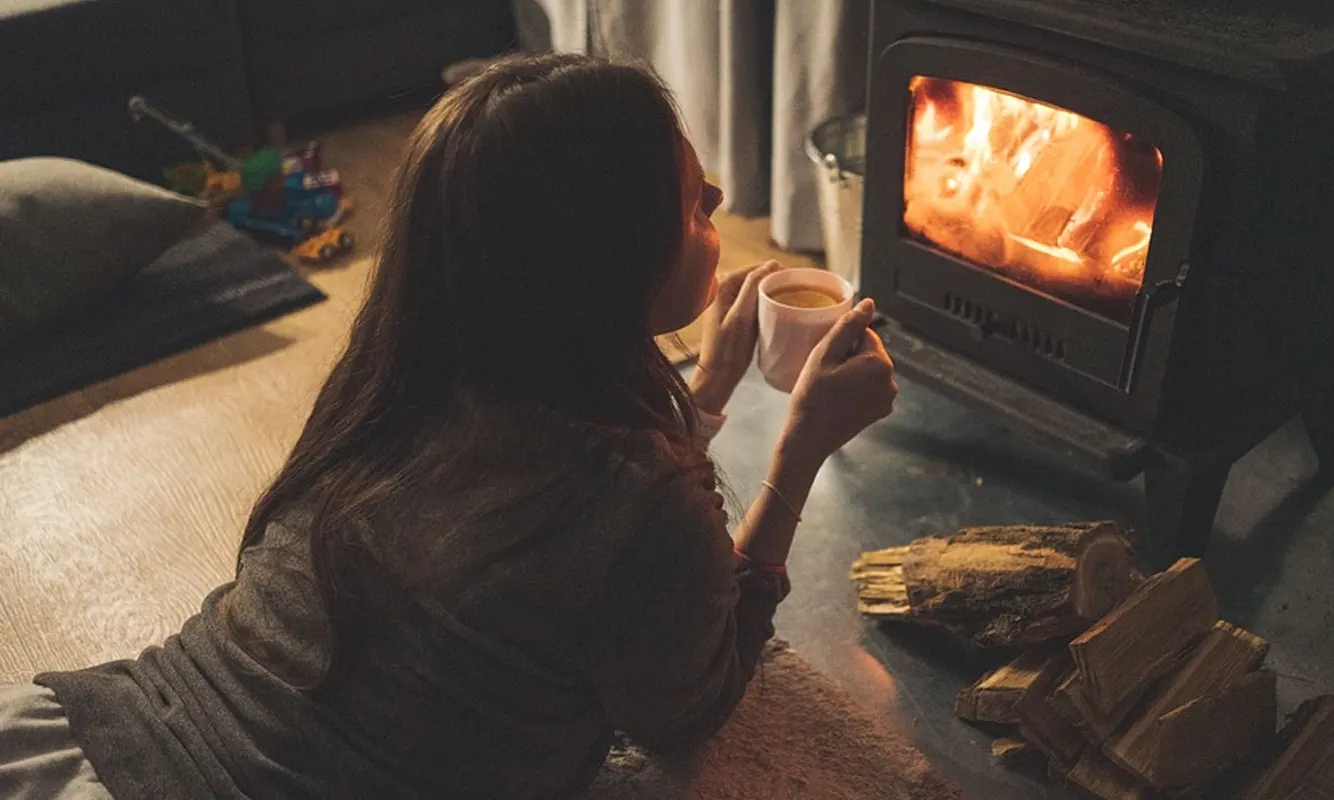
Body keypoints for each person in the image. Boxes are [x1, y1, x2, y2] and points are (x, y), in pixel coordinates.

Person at [0, 53, 897, 799]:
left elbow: (569, 537)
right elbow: (689, 708)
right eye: (693, 201)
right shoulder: (644, 511)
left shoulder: (400, 377)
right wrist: (799, 454)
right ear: (603, 261)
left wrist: (702, 391)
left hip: (105, 734)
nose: (720, 196)